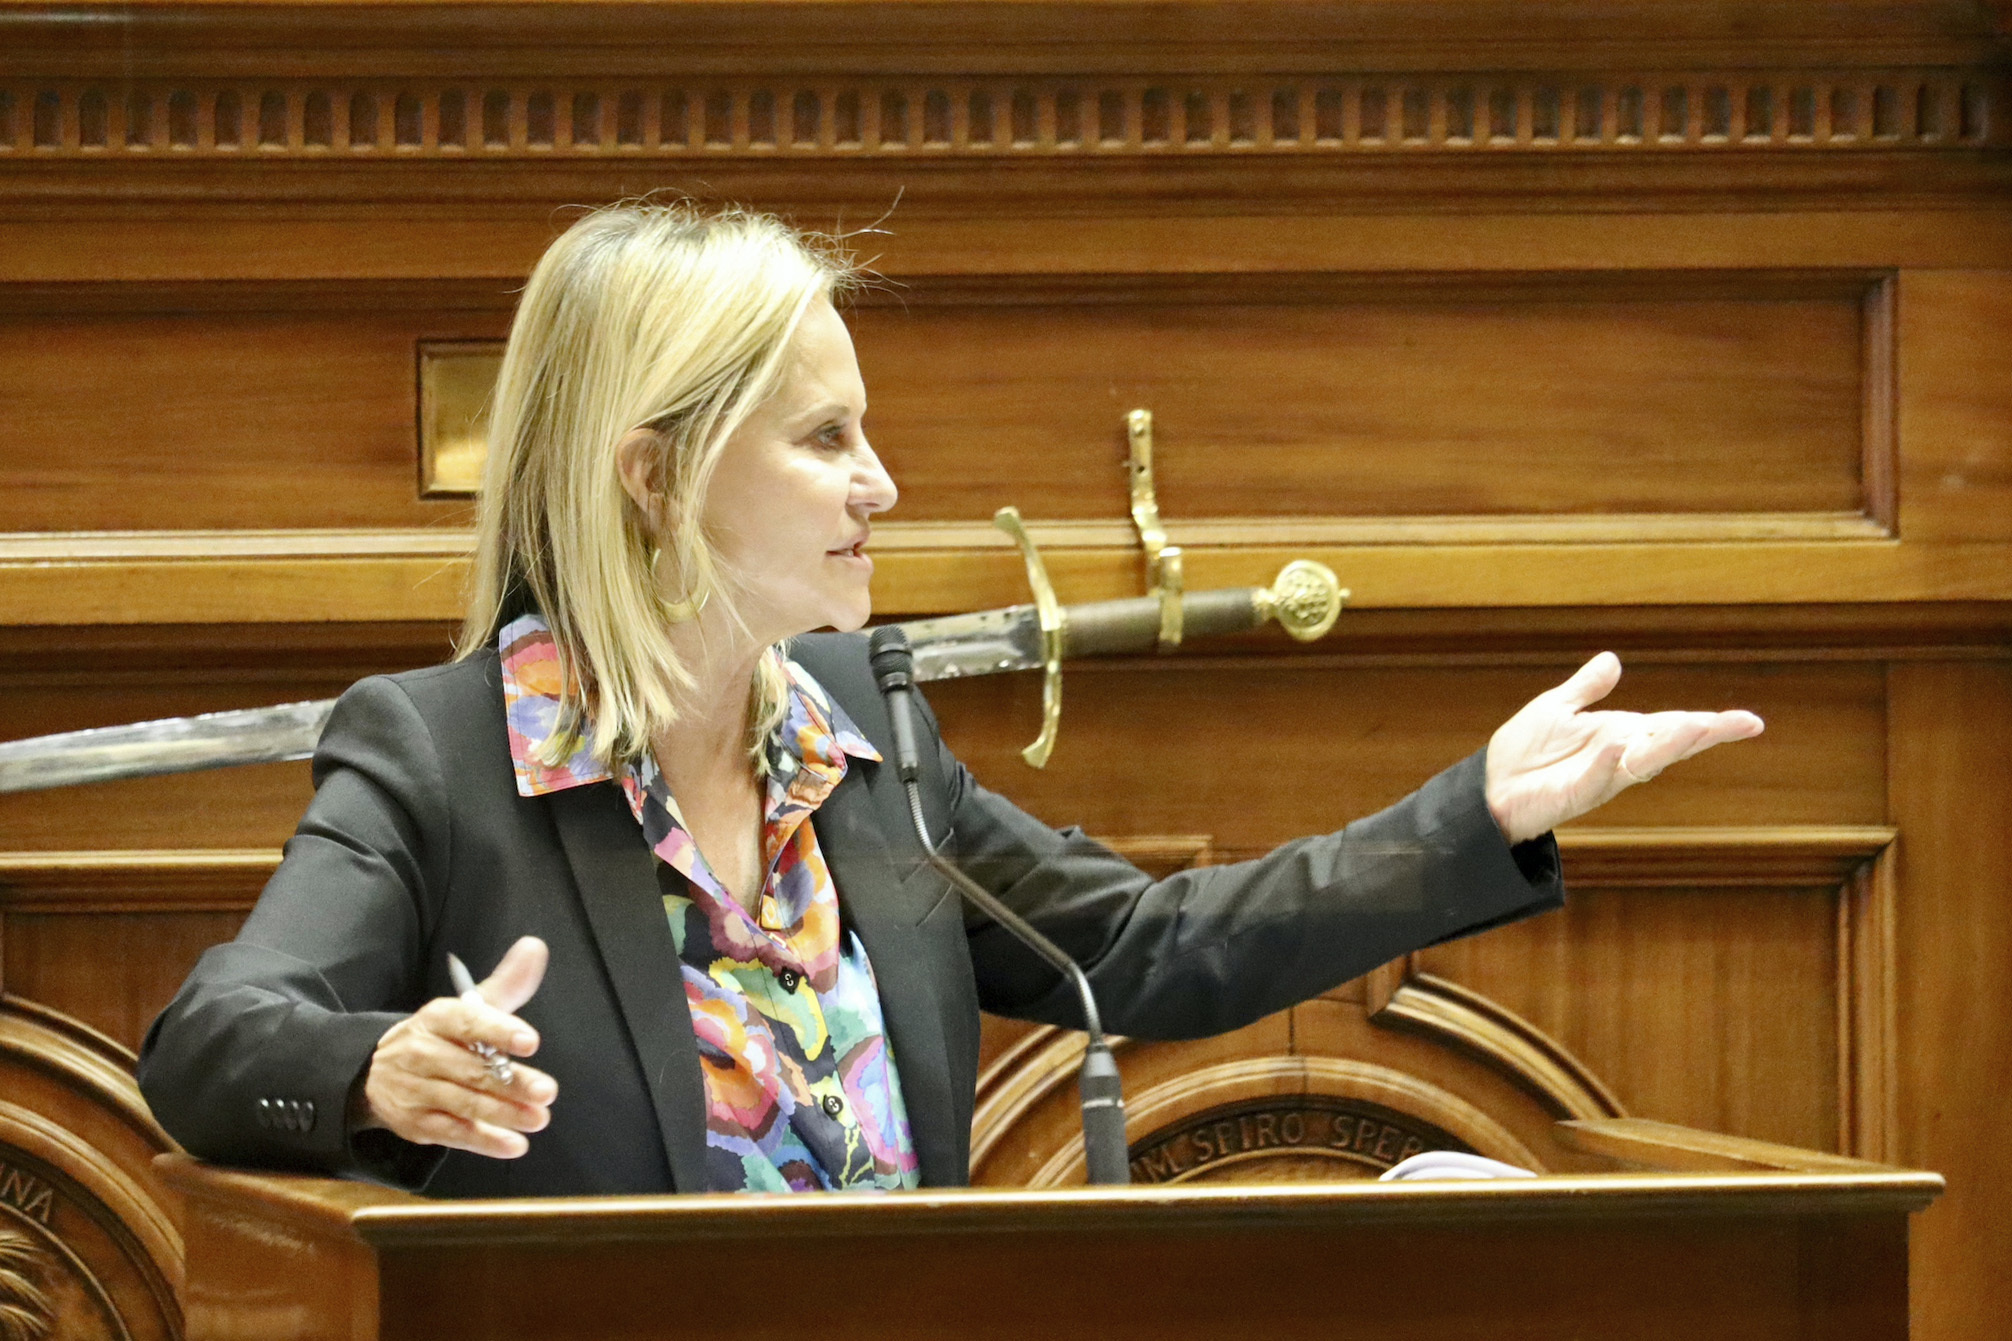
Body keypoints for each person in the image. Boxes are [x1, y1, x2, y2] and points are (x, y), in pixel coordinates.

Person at [136, 201, 1764, 1197]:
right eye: (824, 439)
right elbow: (212, 1042)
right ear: (652, 475)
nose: (882, 483)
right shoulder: (441, 756)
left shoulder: (865, 737)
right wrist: (374, 1070)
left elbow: (1146, 946)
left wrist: (1473, 814)